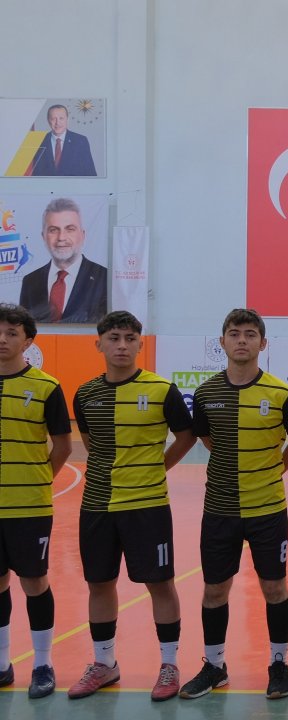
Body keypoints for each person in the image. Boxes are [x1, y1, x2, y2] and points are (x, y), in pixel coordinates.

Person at [179, 309, 288, 700]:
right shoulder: (206, 394)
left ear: (262, 343)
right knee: (214, 589)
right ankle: (214, 666)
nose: (242, 340)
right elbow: (207, 440)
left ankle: (279, 663)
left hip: (267, 509)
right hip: (220, 509)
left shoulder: (281, 395)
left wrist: (272, 470)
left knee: (274, 587)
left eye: (250, 334)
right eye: (234, 333)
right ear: (222, 342)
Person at [68, 311, 196, 701]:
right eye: (113, 338)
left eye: (129, 338)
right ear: (99, 344)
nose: (121, 345)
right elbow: (91, 442)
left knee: (160, 583)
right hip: (97, 504)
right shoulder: (85, 393)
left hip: (147, 505)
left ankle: (169, 664)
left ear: (141, 343)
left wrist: (156, 468)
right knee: (99, 582)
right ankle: (104, 663)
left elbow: (186, 437)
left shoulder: (161, 390)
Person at [0, 304, 72, 698]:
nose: (2, 339)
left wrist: (38, 480)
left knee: (34, 582)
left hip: (29, 506)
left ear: (28, 340)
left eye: (12, 332)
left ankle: (43, 664)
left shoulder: (46, 387)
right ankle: (2, 663)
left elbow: (63, 446)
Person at [20, 198, 109, 324]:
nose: (61, 237)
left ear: (82, 235)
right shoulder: (30, 282)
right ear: (43, 236)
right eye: (53, 230)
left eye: (70, 229)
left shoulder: (104, 278)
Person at [31, 104, 97, 177]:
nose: (57, 123)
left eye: (61, 118)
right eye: (53, 119)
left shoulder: (80, 141)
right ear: (48, 120)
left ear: (67, 119)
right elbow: (34, 175)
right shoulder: (38, 142)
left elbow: (91, 174)